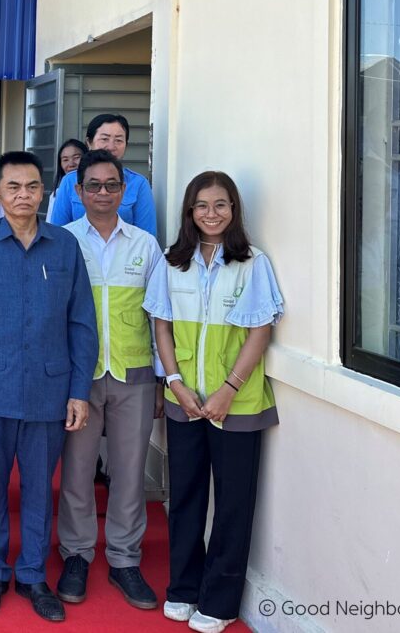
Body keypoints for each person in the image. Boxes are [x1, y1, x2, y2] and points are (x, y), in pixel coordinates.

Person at [0, 151, 98, 622]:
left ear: (44, 192)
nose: (23, 195)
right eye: (12, 187)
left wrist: (78, 390)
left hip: (49, 391)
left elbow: (81, 322)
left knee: (39, 488)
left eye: (32, 187)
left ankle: (33, 573)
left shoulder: (64, 246)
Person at [144, 172, 283, 633]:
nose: (211, 213)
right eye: (201, 205)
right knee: (184, 497)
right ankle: (183, 588)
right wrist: (177, 383)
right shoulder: (171, 262)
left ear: (234, 210)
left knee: (233, 504)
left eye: (220, 205)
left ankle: (220, 601)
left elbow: (260, 330)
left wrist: (228, 389)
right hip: (184, 399)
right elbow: (161, 325)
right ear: (189, 211)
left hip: (237, 405)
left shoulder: (252, 262)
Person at [55, 150, 166, 611]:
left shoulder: (145, 245)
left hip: (134, 375)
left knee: (128, 471)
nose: (103, 193)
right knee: (78, 470)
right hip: (78, 377)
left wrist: (163, 379)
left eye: (112, 185)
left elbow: (161, 317)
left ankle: (124, 558)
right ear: (77, 193)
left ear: (125, 191)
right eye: (93, 185)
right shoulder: (61, 241)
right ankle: (77, 553)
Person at [49, 113, 157, 236]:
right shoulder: (69, 181)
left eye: (118, 140)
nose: (111, 147)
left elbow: (147, 237)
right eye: (104, 139)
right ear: (89, 142)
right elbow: (57, 233)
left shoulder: (139, 184)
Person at [46, 139, 88, 222]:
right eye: (65, 160)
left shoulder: (96, 189)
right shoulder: (56, 194)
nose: (71, 164)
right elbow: (52, 225)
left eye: (76, 158)